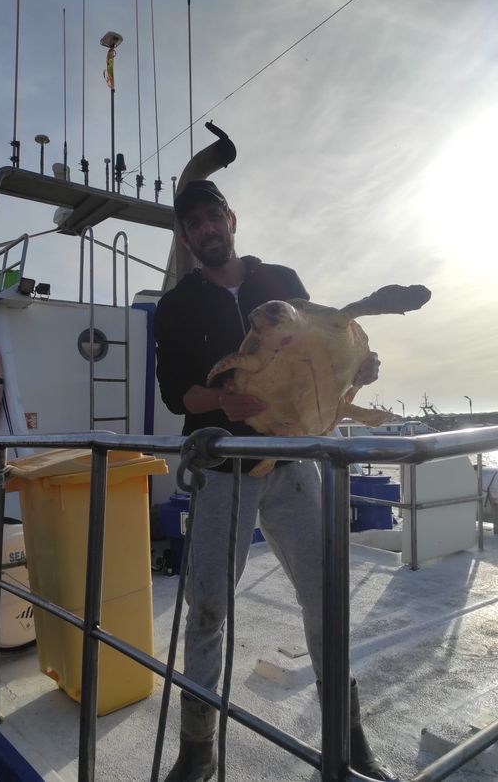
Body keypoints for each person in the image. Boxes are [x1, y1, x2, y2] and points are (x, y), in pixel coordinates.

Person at [153, 179, 398, 782]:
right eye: (194, 224)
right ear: (186, 238)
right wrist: (221, 400)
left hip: (292, 458)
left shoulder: (281, 280)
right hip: (224, 464)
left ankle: (348, 737)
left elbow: (326, 343)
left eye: (213, 217)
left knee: (325, 594)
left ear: (231, 220)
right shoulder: (177, 305)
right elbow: (178, 393)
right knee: (208, 606)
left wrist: (360, 368)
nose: (207, 229)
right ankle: (197, 750)